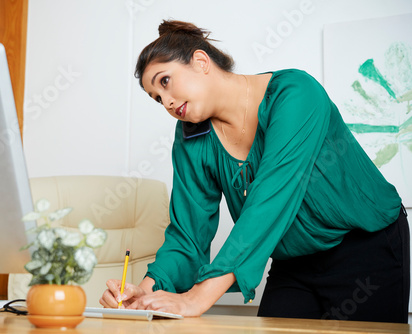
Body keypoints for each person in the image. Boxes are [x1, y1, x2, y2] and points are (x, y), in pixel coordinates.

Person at [99, 20, 410, 323]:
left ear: (200, 61)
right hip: (293, 262)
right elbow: (187, 235)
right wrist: (146, 291)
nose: (165, 101)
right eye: (156, 98)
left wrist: (197, 296)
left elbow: (271, 201)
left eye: (164, 81)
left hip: (366, 248)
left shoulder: (296, 94)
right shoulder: (191, 139)